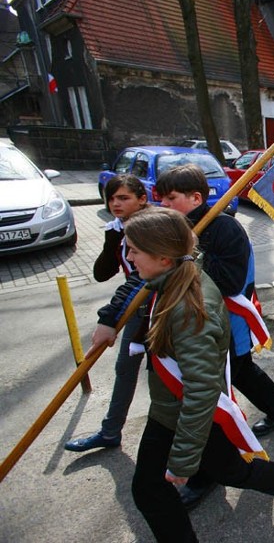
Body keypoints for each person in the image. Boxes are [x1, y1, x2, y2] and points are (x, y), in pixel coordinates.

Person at [124, 208, 274, 541]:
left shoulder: (188, 309)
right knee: (228, 471)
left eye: (135, 251)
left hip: (182, 411)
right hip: (173, 408)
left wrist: (183, 462)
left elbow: (201, 391)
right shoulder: (175, 276)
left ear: (163, 257)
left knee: (151, 490)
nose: (129, 257)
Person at [155, 165, 274, 507]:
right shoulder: (178, 228)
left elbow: (228, 281)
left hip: (225, 323)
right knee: (239, 374)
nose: (164, 204)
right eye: (161, 198)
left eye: (171, 198)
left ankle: (209, 471)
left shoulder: (223, 227)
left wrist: (188, 258)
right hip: (195, 326)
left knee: (216, 390)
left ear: (195, 198)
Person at [65, 175, 150, 452]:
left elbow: (141, 278)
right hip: (137, 312)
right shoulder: (119, 229)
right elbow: (102, 274)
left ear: (142, 199)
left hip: (163, 312)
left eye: (123, 198)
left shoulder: (151, 227)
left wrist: (109, 318)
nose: (116, 203)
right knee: (125, 369)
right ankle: (110, 432)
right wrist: (112, 239)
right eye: (112, 198)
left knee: (173, 378)